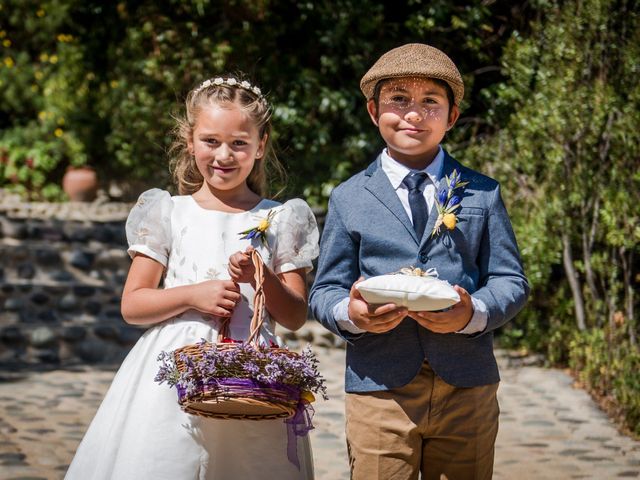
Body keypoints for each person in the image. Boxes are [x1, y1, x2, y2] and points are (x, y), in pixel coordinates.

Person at [66, 74, 319, 479]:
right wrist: (192, 295)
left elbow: (293, 316)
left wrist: (262, 277)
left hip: (252, 379)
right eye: (211, 141)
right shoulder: (169, 211)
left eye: (239, 143)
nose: (224, 155)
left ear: (261, 146)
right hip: (170, 378)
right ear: (190, 141)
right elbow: (133, 304)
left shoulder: (280, 217)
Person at [309, 43, 530, 480]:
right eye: (399, 100)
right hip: (379, 387)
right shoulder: (349, 196)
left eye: (430, 102)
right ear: (374, 112)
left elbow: (511, 279)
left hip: (466, 384)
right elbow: (324, 290)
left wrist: (474, 312)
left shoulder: (482, 193)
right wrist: (350, 314)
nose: (413, 114)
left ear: (451, 117)